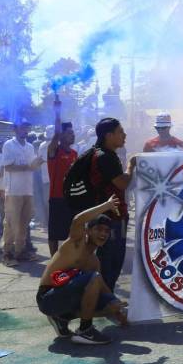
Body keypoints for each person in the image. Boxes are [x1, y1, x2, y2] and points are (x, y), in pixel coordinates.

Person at [36, 194, 127, 345]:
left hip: (64, 297)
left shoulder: (94, 261)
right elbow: (78, 220)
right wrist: (107, 205)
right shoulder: (75, 244)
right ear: (88, 231)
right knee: (94, 278)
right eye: (99, 229)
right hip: (47, 298)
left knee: (111, 303)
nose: (103, 234)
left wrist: (117, 309)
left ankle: (61, 318)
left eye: (106, 231)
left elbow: (102, 288)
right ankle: (85, 330)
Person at [77, 118, 136, 291]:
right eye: (120, 132)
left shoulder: (102, 154)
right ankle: (102, 298)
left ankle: (104, 296)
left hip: (111, 214)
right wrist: (131, 166)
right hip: (109, 216)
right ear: (109, 135)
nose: (124, 135)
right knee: (111, 258)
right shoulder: (105, 156)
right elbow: (122, 183)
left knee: (112, 258)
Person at [2, 121, 44, 266]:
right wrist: (29, 166)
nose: (25, 130)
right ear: (15, 130)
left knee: (24, 223)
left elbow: (33, 167)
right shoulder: (9, 145)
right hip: (14, 191)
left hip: (28, 190)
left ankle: (20, 252)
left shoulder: (30, 146)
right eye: (22, 128)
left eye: (27, 127)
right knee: (11, 223)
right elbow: (8, 167)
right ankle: (7, 253)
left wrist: (39, 162)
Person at [47, 97, 78, 256]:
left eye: (73, 133)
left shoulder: (74, 153)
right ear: (62, 136)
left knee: (70, 232)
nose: (73, 136)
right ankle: (54, 261)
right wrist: (57, 112)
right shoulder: (54, 150)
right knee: (54, 233)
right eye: (69, 133)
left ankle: (68, 259)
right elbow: (57, 133)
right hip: (56, 197)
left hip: (71, 199)